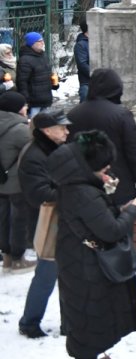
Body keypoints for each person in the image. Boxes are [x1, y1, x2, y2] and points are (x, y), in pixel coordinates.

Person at [50, 130, 136, 359]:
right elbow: (111, 231)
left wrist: (122, 209)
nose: (108, 171)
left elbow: (99, 222)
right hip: (85, 269)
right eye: (104, 167)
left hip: (82, 263)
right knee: (87, 330)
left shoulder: (79, 185)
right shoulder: (82, 191)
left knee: (90, 326)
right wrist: (132, 210)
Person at [17, 107, 72, 337]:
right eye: (62, 127)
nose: (67, 131)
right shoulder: (34, 156)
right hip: (47, 223)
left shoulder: (57, 148)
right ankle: (29, 322)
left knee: (69, 275)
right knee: (47, 274)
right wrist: (72, 190)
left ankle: (69, 323)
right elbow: (38, 194)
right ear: (47, 131)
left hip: (65, 220)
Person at [67, 68, 136, 207]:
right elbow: (134, 151)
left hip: (82, 187)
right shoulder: (121, 115)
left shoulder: (72, 115)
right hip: (118, 186)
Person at [0, 91, 33, 272]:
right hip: (15, 183)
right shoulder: (20, 129)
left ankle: (6, 257)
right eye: (24, 105)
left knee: (3, 219)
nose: (26, 107)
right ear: (16, 109)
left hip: (1, 182)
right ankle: (18, 259)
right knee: (19, 219)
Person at [16, 32, 56, 114]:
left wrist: (54, 83)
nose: (42, 43)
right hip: (34, 102)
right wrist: (25, 99)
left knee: (45, 125)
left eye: (42, 40)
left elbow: (47, 74)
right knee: (33, 125)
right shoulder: (25, 60)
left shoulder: (43, 56)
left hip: (46, 99)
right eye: (39, 41)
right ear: (32, 44)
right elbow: (22, 81)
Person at [74, 23, 91, 103]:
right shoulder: (81, 45)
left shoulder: (96, 41)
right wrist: (95, 74)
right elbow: (82, 64)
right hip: (86, 83)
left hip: (99, 81)